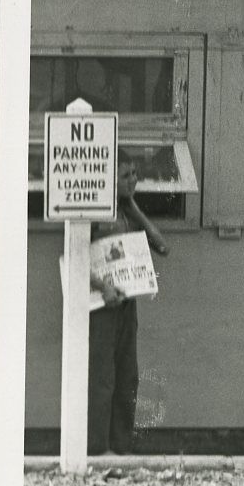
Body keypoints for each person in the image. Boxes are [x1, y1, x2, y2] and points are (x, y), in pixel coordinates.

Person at [87, 155, 167, 455]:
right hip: (100, 305)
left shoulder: (128, 213)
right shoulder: (94, 210)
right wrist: (101, 286)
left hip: (126, 304)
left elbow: (162, 246)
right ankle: (96, 447)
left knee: (127, 375)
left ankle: (121, 447)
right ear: (109, 177)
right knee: (101, 377)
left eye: (135, 174)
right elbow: (75, 256)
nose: (132, 179)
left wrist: (134, 207)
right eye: (125, 175)